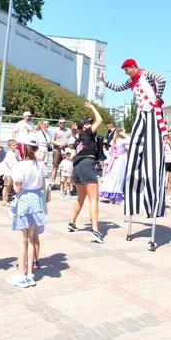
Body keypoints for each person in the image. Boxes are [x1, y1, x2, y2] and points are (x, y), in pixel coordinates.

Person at [101, 59, 167, 221]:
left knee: (152, 149)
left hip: (152, 110)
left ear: (132, 67)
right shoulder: (131, 80)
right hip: (141, 113)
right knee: (136, 143)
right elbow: (118, 88)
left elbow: (163, 79)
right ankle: (133, 197)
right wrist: (105, 82)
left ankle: (152, 199)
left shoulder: (147, 73)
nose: (125, 74)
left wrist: (158, 97)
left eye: (126, 70)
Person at [6, 134, 47, 288]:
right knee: (31, 237)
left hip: (24, 201)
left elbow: (17, 189)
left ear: (23, 147)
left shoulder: (20, 166)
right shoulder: (40, 165)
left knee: (22, 238)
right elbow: (42, 185)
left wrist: (10, 179)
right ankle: (30, 273)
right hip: (36, 200)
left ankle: (21, 274)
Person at [68, 102, 104, 243]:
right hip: (87, 164)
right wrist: (93, 108)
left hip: (76, 167)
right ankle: (95, 230)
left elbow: (71, 155)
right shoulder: (88, 133)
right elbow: (99, 120)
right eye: (88, 123)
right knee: (93, 199)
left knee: (80, 198)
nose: (90, 124)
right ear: (85, 127)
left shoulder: (77, 141)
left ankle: (72, 222)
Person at [99, 128, 130, 204]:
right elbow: (131, 140)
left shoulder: (113, 141)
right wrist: (125, 135)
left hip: (114, 160)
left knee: (113, 177)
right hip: (120, 160)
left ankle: (112, 198)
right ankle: (117, 198)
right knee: (119, 177)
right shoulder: (122, 140)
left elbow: (110, 151)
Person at [50, 118, 70, 185]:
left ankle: (62, 184)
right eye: (60, 122)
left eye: (63, 122)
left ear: (65, 123)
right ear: (58, 123)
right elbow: (52, 141)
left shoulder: (68, 131)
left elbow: (70, 140)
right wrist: (59, 144)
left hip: (65, 150)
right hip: (57, 150)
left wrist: (66, 144)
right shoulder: (55, 130)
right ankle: (53, 182)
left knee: (65, 167)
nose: (62, 124)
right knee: (55, 166)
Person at [2, 139, 19, 206]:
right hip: (8, 172)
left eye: (16, 145)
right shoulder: (9, 154)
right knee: (6, 185)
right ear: (9, 146)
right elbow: (7, 163)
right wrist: (6, 173)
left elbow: (18, 159)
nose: (15, 146)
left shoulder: (17, 152)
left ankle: (6, 198)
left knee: (9, 186)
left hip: (14, 171)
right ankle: (4, 200)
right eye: (13, 145)